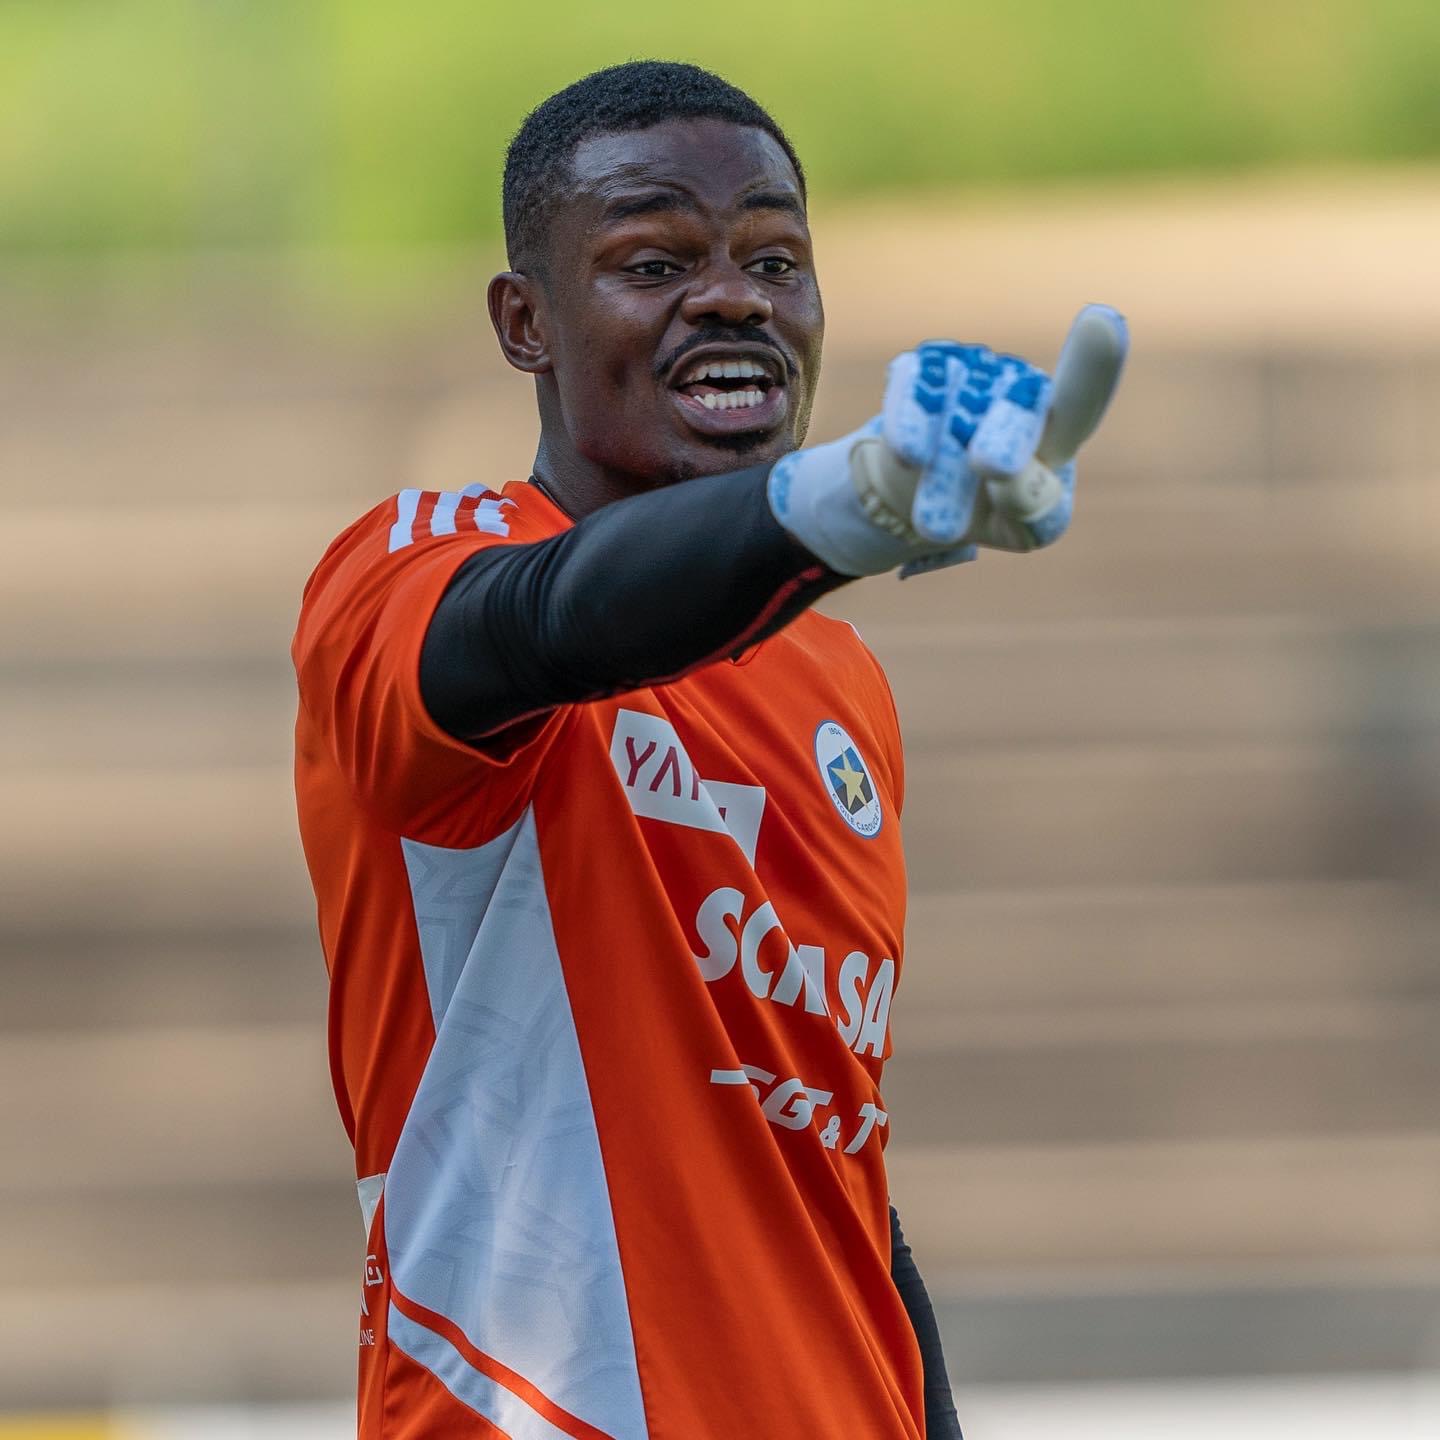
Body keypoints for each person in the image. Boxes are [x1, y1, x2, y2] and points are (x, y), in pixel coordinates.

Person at [293, 59, 1123, 1440]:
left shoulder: (840, 682)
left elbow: (833, 1165)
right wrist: (840, 504)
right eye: (655, 261)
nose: (735, 298)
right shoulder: (412, 568)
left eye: (776, 261)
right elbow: (547, 620)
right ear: (525, 322)